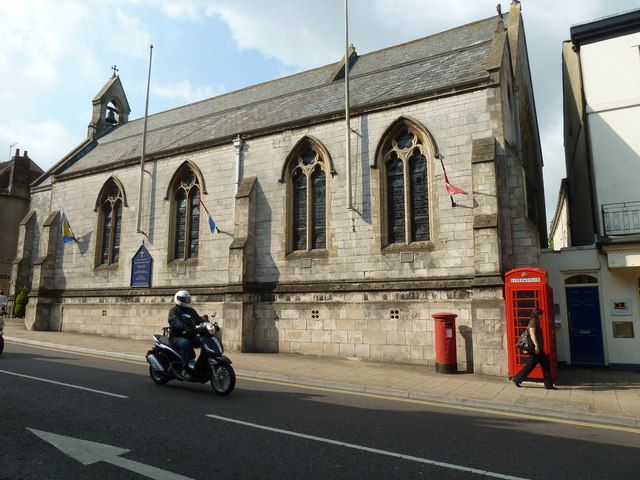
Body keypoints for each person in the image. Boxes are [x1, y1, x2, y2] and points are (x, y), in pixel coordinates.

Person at [512, 307, 557, 390]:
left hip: (537, 347)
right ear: (537, 315)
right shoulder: (533, 322)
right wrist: (536, 346)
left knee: (541, 364)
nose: (542, 316)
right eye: (541, 314)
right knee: (535, 364)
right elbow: (532, 335)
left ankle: (548, 384)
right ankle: (517, 379)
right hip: (535, 348)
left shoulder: (536, 321)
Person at [168, 290, 208, 380]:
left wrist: (209, 324)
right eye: (184, 299)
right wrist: (184, 327)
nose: (186, 301)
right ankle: (185, 369)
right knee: (185, 343)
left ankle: (202, 365)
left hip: (189, 334)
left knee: (203, 341)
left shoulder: (191, 310)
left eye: (187, 299)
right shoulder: (174, 310)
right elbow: (174, 321)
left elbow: (199, 319)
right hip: (176, 336)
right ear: (178, 299)